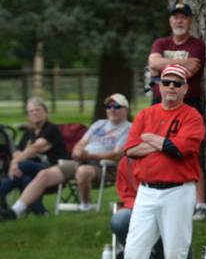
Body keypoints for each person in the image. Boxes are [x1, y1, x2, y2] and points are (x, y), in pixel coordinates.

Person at [111, 64, 205, 259]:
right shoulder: (145, 115)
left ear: (185, 88)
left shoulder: (192, 116)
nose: (171, 87)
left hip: (179, 190)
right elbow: (130, 150)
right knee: (134, 246)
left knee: (175, 248)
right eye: (166, 82)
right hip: (147, 190)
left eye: (177, 83)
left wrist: (151, 139)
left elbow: (179, 149)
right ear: (159, 86)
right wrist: (163, 143)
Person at [2, 94, 130, 220]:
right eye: (109, 106)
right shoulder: (99, 124)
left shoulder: (128, 128)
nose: (112, 109)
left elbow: (116, 153)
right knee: (44, 174)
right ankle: (14, 212)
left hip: (105, 166)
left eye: (117, 106)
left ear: (125, 109)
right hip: (81, 161)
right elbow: (81, 143)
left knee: (82, 171)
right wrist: (77, 152)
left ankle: (87, 205)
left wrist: (90, 156)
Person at [148, 1, 206, 220]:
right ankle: (156, 192)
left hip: (188, 104)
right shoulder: (160, 42)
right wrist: (177, 63)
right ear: (170, 20)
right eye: (175, 16)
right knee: (156, 146)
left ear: (190, 20)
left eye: (183, 16)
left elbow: (191, 69)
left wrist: (162, 64)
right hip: (158, 104)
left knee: (191, 151)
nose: (179, 20)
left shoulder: (197, 45)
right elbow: (152, 61)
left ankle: (200, 202)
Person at [0, 97, 67, 217]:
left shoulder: (51, 129)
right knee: (25, 178)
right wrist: (16, 157)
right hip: (34, 171)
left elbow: (36, 147)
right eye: (31, 111)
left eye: (38, 110)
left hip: (54, 169)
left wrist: (15, 162)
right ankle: (41, 213)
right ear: (28, 115)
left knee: (23, 165)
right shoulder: (29, 133)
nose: (34, 113)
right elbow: (19, 152)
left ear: (45, 112)